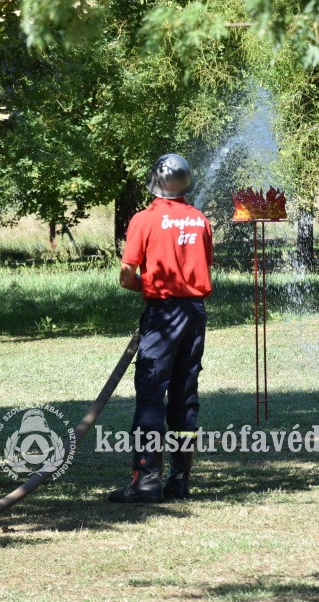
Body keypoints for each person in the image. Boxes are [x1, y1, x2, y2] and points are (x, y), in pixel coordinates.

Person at [108, 153, 213, 503]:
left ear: (155, 182)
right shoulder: (200, 220)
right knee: (185, 396)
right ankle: (179, 481)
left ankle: (146, 481)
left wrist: (149, 287)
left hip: (163, 316)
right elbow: (200, 268)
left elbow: (127, 276)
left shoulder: (144, 219)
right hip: (194, 314)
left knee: (152, 395)